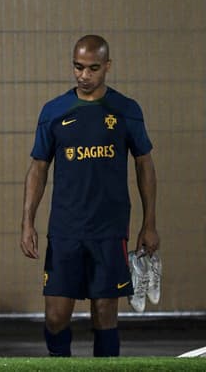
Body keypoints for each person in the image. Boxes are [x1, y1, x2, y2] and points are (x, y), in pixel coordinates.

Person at [20, 35, 160, 357]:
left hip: (109, 231)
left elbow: (145, 165)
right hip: (66, 229)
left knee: (105, 314)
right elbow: (38, 168)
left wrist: (149, 223)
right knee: (55, 317)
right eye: (78, 67)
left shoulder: (127, 110)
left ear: (107, 66)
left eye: (93, 68)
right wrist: (27, 222)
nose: (84, 75)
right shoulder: (54, 112)